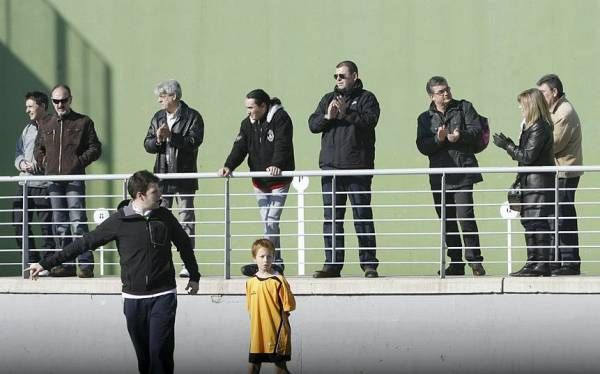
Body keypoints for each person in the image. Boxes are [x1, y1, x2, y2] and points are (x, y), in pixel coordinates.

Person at [27, 170, 201, 374]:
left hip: (163, 294)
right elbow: (84, 243)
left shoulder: (165, 216)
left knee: (160, 355)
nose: (160, 195)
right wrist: (45, 263)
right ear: (140, 195)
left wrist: (194, 275)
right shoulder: (120, 221)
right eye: (155, 191)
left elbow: (184, 245)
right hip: (133, 298)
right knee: (144, 359)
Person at [308, 60, 380, 278]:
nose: (338, 80)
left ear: (354, 76)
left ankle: (369, 264)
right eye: (336, 76)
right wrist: (329, 116)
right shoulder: (327, 99)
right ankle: (332, 264)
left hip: (357, 167)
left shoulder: (367, 98)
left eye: (342, 76)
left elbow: (370, 121)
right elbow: (312, 124)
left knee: (362, 215)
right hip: (331, 169)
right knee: (331, 218)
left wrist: (346, 111)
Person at [218, 89, 295, 277]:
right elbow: (240, 147)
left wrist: (277, 164)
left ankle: (269, 263)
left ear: (263, 106)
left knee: (271, 221)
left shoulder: (281, 118)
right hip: (259, 181)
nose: (248, 111)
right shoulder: (247, 124)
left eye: (251, 107)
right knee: (267, 222)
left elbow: (282, 144)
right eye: (247, 108)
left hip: (279, 180)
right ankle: (274, 263)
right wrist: (229, 166)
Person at [416, 76, 486, 276]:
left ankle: (475, 261)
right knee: (447, 220)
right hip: (440, 176)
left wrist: (459, 136)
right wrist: (437, 140)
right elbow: (422, 146)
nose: (446, 94)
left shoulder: (464, 107)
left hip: (462, 171)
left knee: (465, 217)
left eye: (447, 89)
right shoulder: (424, 118)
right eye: (440, 92)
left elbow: (477, 131)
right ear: (431, 96)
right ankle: (456, 262)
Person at [34, 84, 102, 278]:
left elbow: (95, 148)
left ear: (70, 100)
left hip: (74, 179)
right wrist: (45, 162)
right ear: (52, 101)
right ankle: (66, 263)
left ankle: (85, 264)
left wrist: (78, 162)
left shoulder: (83, 122)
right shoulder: (46, 123)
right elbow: (38, 149)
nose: (60, 104)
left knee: (78, 220)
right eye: (56, 101)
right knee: (60, 222)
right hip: (53, 180)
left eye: (63, 100)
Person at [144, 79, 204, 278]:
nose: (159, 101)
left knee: (186, 219)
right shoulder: (158, 117)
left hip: (184, 176)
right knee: (160, 221)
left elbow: (195, 141)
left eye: (162, 97)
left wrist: (171, 136)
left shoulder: (192, 116)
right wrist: (159, 139)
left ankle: (187, 264)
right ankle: (162, 262)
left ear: (173, 96)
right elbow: (147, 144)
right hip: (162, 178)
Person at [493, 88, 555, 277]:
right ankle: (532, 262)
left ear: (531, 105)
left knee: (537, 222)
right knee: (529, 222)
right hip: (530, 181)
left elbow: (527, 156)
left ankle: (540, 264)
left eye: (523, 104)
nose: (520, 107)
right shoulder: (532, 126)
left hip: (538, 183)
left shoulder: (540, 127)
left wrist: (507, 145)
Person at [537, 74, 583, 276]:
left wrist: (532, 145)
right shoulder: (553, 110)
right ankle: (556, 260)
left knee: (563, 216)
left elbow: (554, 145)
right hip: (556, 171)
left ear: (554, 92)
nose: (540, 97)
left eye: (543, 93)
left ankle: (570, 262)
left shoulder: (564, 112)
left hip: (564, 171)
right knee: (553, 216)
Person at [12, 91, 55, 274]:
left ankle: (46, 264)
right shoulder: (28, 129)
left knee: (47, 227)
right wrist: (22, 163)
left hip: (44, 185)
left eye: (30, 106)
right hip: (24, 185)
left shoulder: (54, 126)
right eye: (27, 106)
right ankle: (33, 261)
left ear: (42, 106)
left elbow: (55, 155)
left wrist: (37, 165)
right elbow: (18, 151)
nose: (27, 110)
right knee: (17, 222)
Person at [245, 238, 295, 374]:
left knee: (280, 368)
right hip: (257, 335)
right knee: (253, 368)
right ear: (254, 258)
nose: (266, 260)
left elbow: (289, 306)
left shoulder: (279, 281)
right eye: (262, 256)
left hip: (276, 334)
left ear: (274, 257)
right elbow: (250, 309)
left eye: (269, 256)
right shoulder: (250, 282)